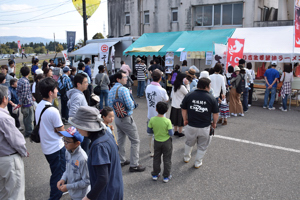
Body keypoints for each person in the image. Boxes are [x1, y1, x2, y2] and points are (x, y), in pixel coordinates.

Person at [69, 106, 124, 200]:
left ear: (86, 126)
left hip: (106, 194)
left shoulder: (99, 146)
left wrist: (88, 197)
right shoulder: (106, 133)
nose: (76, 128)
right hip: (115, 187)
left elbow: (102, 179)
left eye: (78, 125)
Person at [108, 71, 146, 172]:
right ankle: (134, 164)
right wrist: (133, 103)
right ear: (118, 79)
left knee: (121, 140)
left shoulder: (111, 90)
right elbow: (130, 106)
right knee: (135, 140)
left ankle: (121, 160)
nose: (126, 79)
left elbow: (109, 105)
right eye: (124, 77)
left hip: (117, 118)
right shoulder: (124, 90)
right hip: (126, 118)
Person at [36, 77, 66, 200]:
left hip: (47, 146)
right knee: (58, 174)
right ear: (50, 92)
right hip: (56, 147)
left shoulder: (39, 105)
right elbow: (61, 132)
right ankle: (55, 196)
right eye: (55, 88)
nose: (57, 90)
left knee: (56, 172)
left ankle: (59, 189)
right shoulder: (53, 110)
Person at [181, 77, 219, 168]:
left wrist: (185, 119)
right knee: (202, 145)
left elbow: (183, 108)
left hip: (191, 125)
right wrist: (214, 123)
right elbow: (215, 113)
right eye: (209, 85)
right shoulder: (211, 98)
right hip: (205, 127)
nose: (210, 87)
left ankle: (186, 158)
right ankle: (198, 162)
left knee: (189, 142)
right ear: (206, 86)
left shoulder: (189, 95)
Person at [0, 85, 28, 200]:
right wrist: (24, 151)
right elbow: (16, 140)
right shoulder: (4, 118)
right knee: (16, 193)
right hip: (9, 159)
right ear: (4, 99)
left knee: (3, 193)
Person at [57, 126, 90, 200]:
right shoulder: (68, 151)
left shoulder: (82, 159)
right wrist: (63, 179)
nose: (64, 143)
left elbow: (87, 181)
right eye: (64, 139)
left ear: (77, 143)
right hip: (73, 193)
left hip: (81, 196)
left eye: (67, 141)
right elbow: (67, 168)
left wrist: (68, 187)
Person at [148, 101, 174, 182]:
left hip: (157, 141)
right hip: (166, 142)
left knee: (156, 158)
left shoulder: (152, 120)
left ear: (156, 109)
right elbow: (171, 133)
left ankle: (155, 174)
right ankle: (166, 176)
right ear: (166, 111)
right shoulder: (167, 121)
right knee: (167, 159)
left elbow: (149, 131)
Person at [145, 70, 169, 157]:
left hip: (150, 113)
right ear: (160, 78)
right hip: (159, 116)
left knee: (150, 133)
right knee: (157, 134)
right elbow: (166, 100)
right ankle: (153, 151)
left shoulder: (148, 87)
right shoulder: (162, 90)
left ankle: (150, 149)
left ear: (152, 77)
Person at [67, 73, 90, 153]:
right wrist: (79, 127)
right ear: (78, 84)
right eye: (85, 82)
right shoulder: (78, 96)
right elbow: (72, 114)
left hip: (81, 128)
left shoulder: (76, 94)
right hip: (82, 129)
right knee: (84, 151)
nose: (87, 84)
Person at [17, 66, 34, 137]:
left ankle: (27, 131)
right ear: (28, 73)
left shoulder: (20, 80)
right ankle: (29, 132)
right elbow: (24, 94)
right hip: (27, 103)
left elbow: (19, 92)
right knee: (29, 119)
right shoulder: (26, 82)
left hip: (23, 102)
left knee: (25, 118)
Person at [170, 73, 188, 137]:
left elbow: (172, 95)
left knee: (175, 119)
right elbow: (187, 94)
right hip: (180, 105)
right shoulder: (182, 87)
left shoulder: (174, 85)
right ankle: (180, 132)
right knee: (180, 119)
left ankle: (175, 131)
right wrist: (187, 85)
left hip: (174, 104)